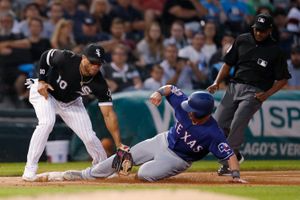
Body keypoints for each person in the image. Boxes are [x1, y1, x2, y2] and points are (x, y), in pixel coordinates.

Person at [37, 85, 246, 183]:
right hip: (162, 140)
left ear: (203, 114)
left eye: (193, 111)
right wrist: (158, 92)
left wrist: (236, 176)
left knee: (144, 174)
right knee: (123, 157)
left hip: (179, 160)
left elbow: (229, 155)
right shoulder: (185, 106)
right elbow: (171, 89)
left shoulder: (212, 132)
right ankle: (85, 175)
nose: (188, 110)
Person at [22, 43, 126, 181]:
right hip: (46, 92)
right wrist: (41, 80)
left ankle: (101, 169)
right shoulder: (66, 58)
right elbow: (46, 56)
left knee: (89, 137)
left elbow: (108, 114)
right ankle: (30, 170)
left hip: (71, 102)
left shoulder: (99, 83)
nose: (95, 66)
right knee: (47, 123)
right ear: (83, 58)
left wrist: (119, 144)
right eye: (92, 61)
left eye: (99, 63)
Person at [207, 13, 291, 176]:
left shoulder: (275, 51)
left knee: (238, 122)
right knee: (217, 124)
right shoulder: (242, 39)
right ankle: (235, 155)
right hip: (234, 87)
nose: (259, 33)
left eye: (263, 31)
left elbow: (283, 80)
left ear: (270, 30)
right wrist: (217, 82)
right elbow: (228, 63)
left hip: (255, 92)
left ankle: (227, 164)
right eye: (257, 30)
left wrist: (266, 95)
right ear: (253, 28)